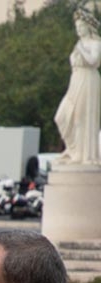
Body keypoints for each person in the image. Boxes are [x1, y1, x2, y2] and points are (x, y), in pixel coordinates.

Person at [55, 5, 101, 165]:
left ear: (88, 27)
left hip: (88, 79)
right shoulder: (78, 44)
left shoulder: (95, 43)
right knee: (62, 116)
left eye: (81, 26)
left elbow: (94, 61)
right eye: (77, 27)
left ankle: (83, 154)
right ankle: (73, 149)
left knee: (81, 116)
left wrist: (82, 49)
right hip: (76, 80)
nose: (79, 30)